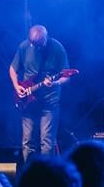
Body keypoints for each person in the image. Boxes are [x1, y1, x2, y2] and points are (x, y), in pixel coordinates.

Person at [9, 24, 73, 163]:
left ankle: (46, 173)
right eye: (32, 44)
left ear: (45, 38)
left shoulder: (57, 48)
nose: (35, 47)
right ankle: (29, 171)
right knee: (27, 142)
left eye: (38, 45)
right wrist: (17, 86)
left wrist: (55, 83)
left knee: (47, 143)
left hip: (49, 102)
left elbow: (66, 76)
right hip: (28, 100)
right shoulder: (25, 46)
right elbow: (13, 69)